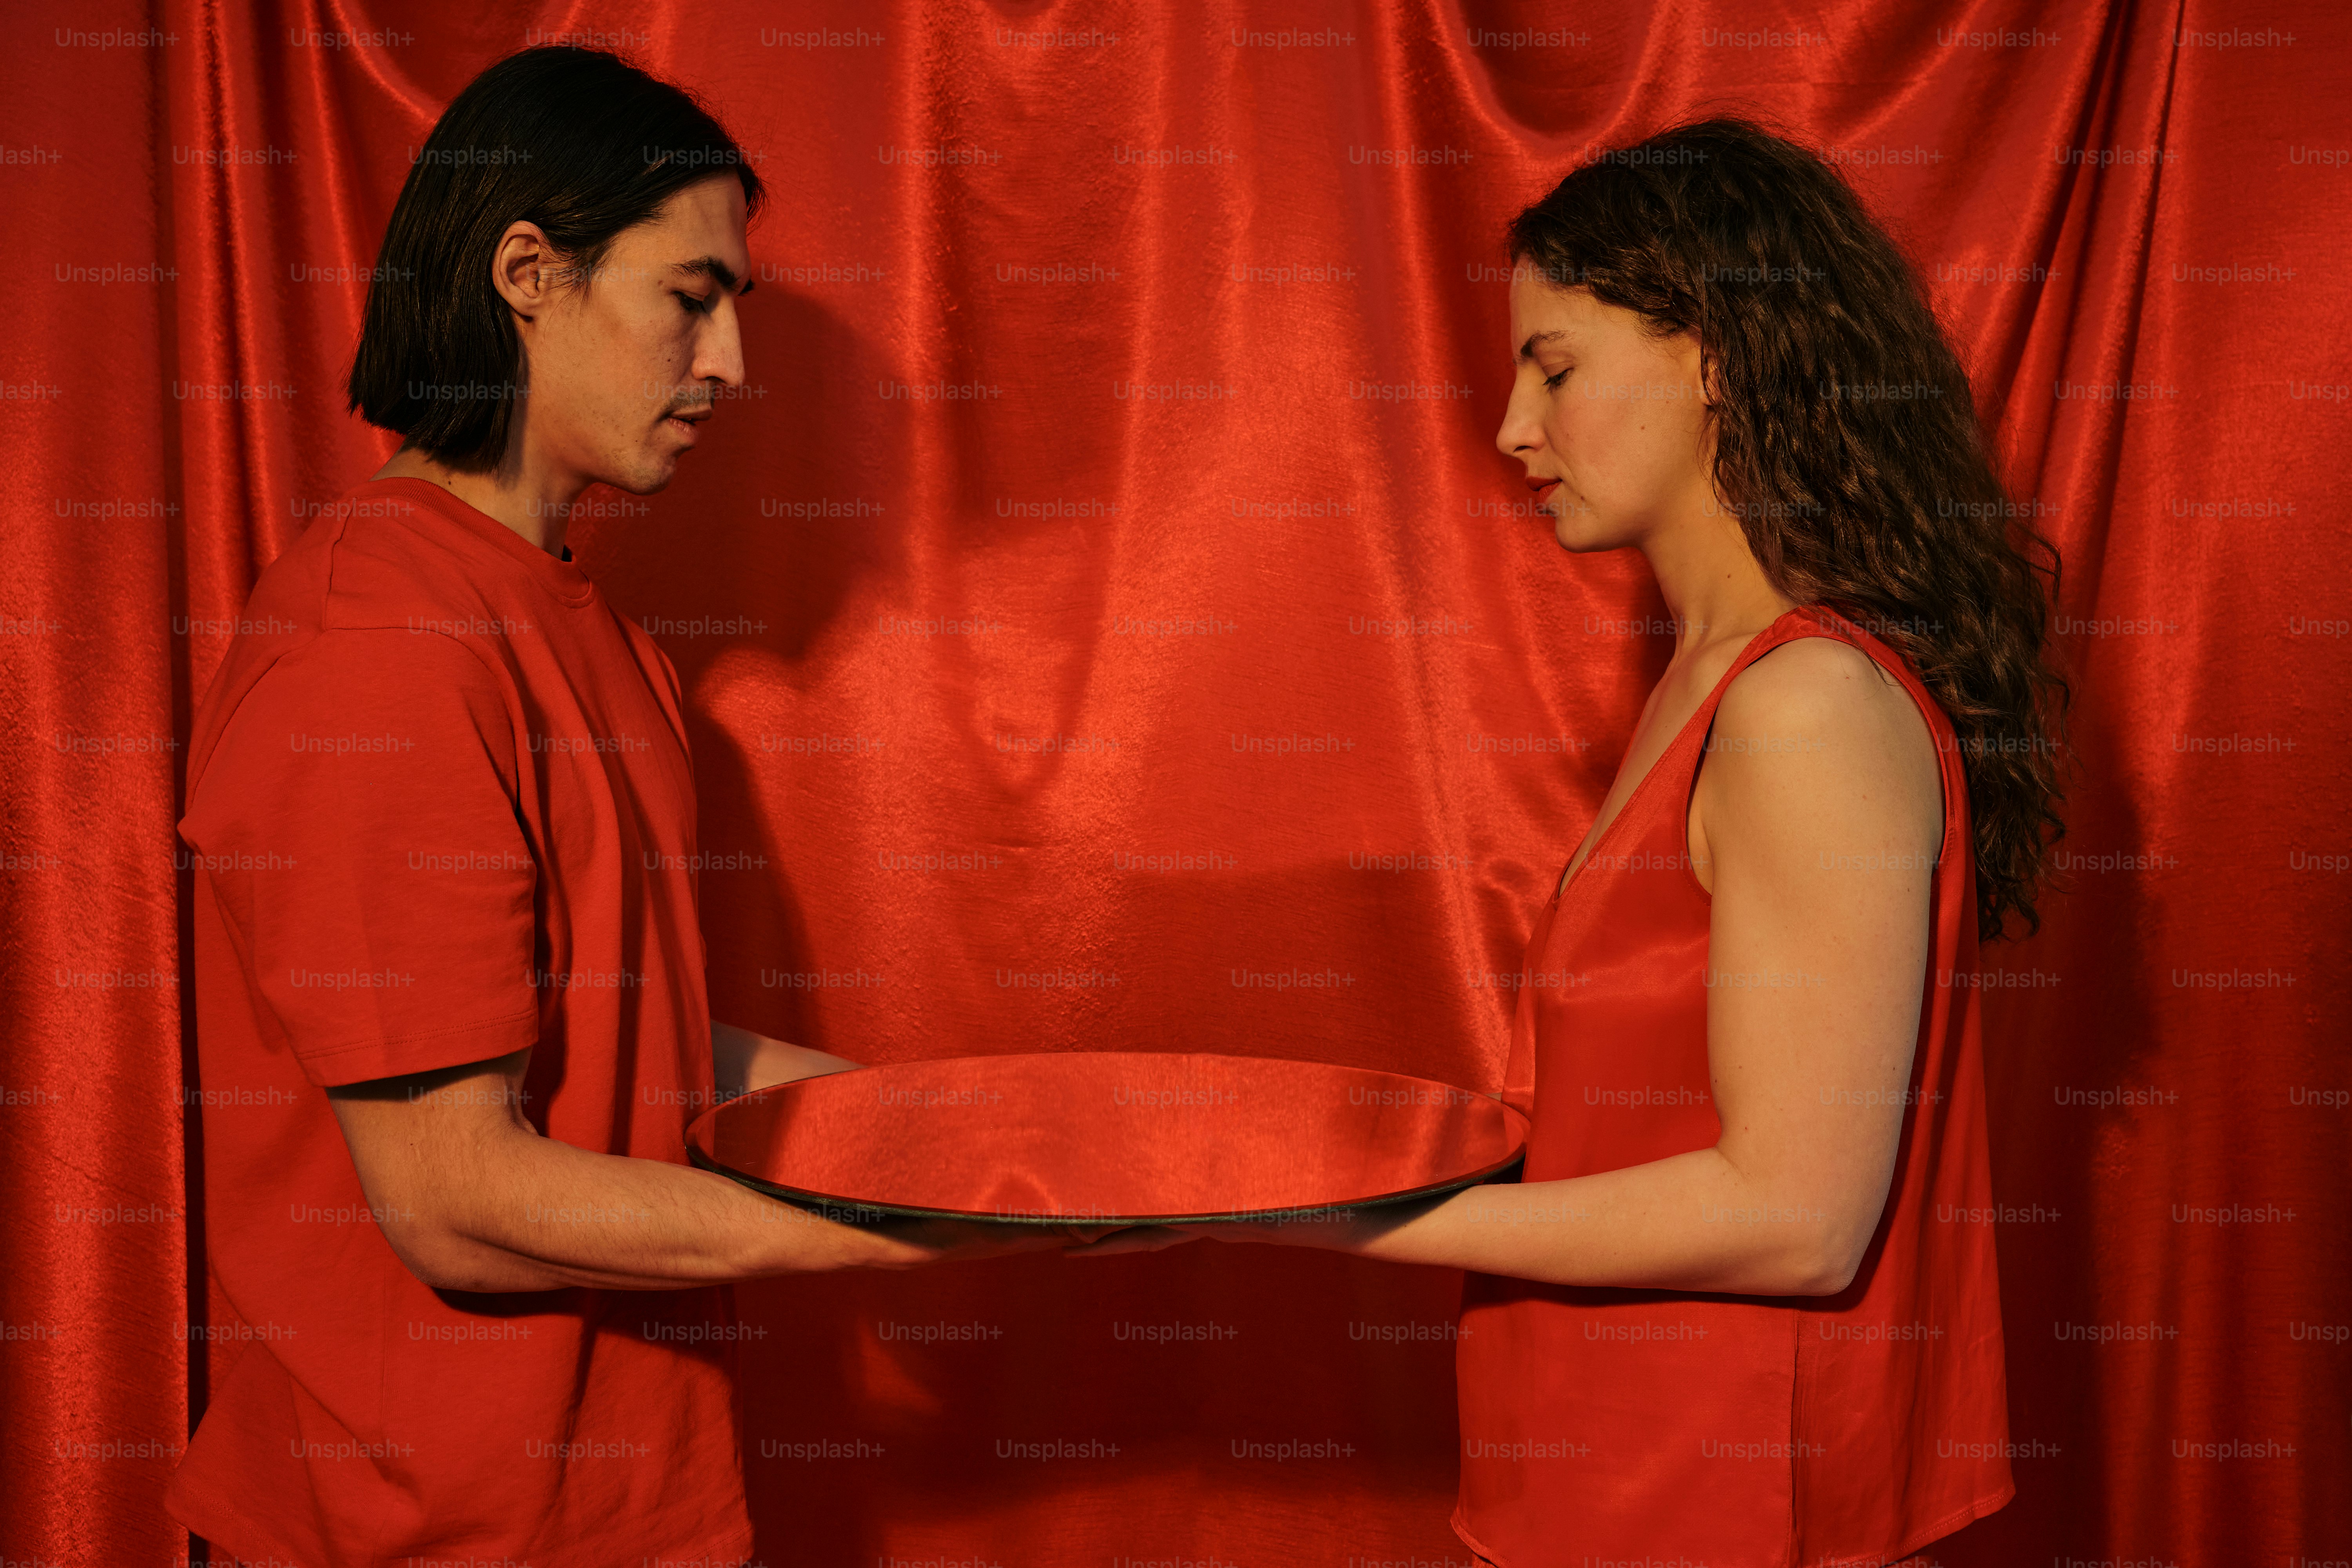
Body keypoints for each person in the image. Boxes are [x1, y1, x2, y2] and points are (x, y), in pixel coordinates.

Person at [1076, 118, 2070, 1565]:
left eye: (1554, 366)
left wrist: (1312, 1219)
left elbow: (1797, 1222)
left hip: (1725, 1498)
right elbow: (1630, 1120)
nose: (1510, 430)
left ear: (1717, 355)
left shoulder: (1805, 708)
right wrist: (1261, 1159)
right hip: (1601, 1463)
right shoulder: (1711, 680)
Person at [170, 47, 1057, 1568]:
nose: (727, 368)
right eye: (689, 299)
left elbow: (622, 1034)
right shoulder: (376, 645)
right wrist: (906, 1225)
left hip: (628, 1504)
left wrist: (968, 1136)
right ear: (528, 270)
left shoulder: (601, 635)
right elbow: (455, 1199)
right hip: (412, 1530)